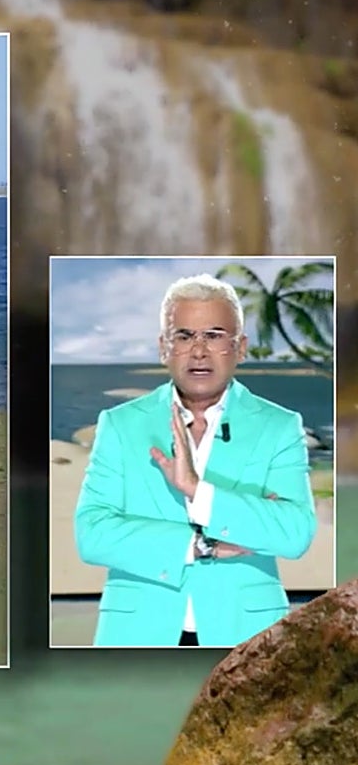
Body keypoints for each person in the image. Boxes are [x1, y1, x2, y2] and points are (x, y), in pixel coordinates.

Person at [74, 273, 317, 648]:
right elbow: (92, 534)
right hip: (138, 634)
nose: (199, 351)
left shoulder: (278, 426)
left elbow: (294, 532)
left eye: (215, 335)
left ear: (240, 348)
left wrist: (197, 491)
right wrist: (203, 545)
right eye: (185, 336)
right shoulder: (121, 425)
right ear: (164, 347)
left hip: (247, 635)